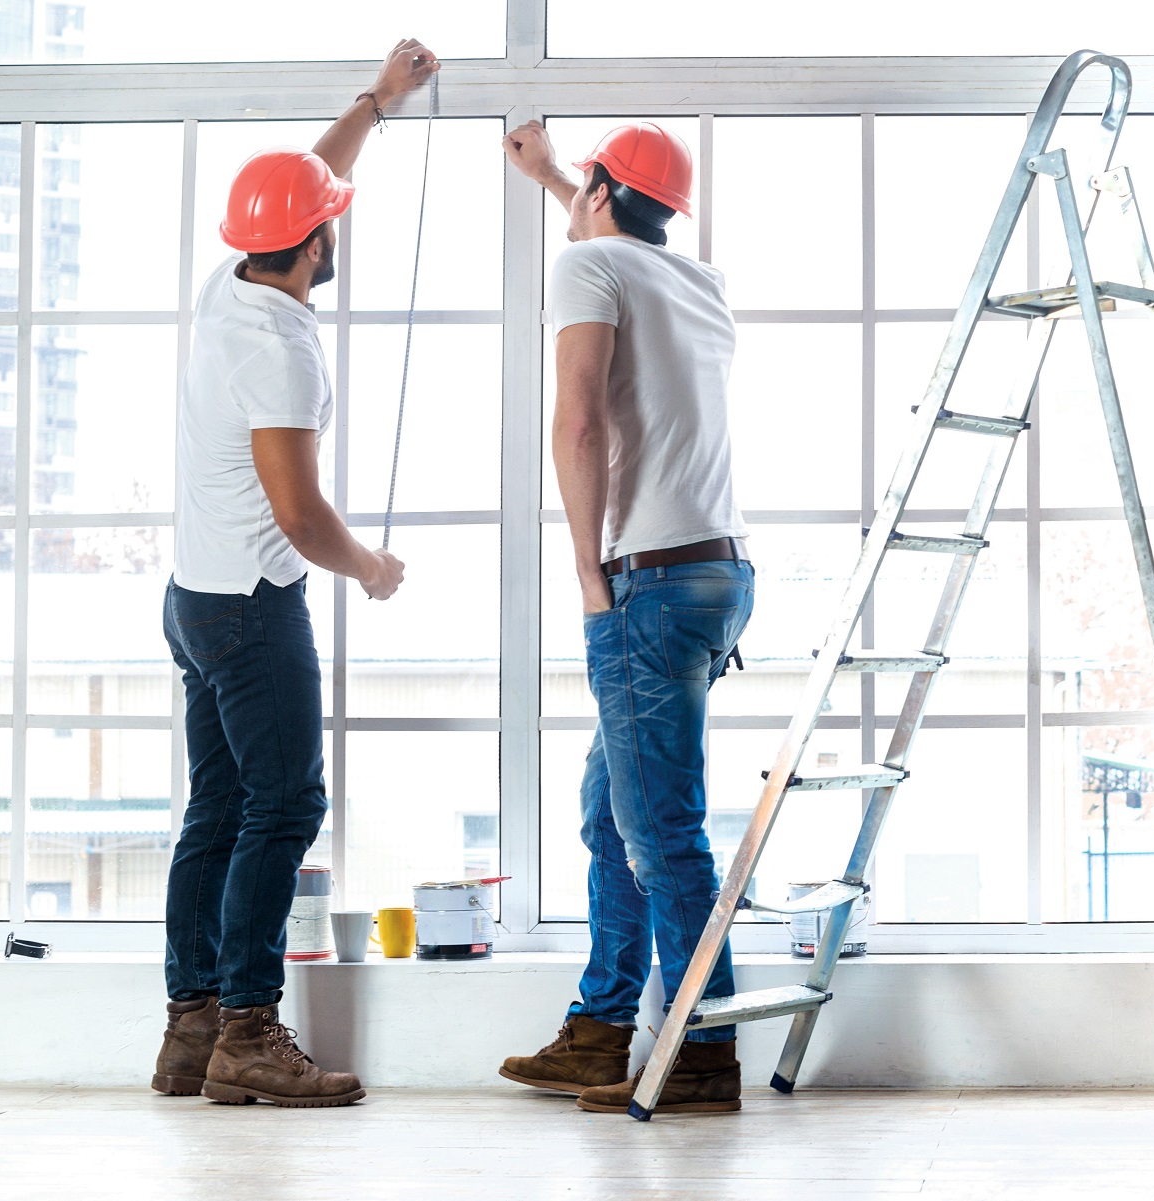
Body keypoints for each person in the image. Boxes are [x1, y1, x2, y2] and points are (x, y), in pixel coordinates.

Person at [149, 39, 438, 1109]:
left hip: (189, 597)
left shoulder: (224, 284)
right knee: (284, 805)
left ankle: (189, 1032)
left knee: (216, 810)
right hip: (251, 610)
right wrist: (370, 567)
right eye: (332, 221)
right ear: (315, 243)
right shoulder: (283, 348)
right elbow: (299, 512)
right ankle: (250, 1034)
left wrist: (376, 102)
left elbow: (300, 185)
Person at [497, 119, 753, 1114]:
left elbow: (581, 420)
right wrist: (560, 175)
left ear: (600, 192)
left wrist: (587, 575)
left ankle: (698, 1052)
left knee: (660, 830)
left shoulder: (590, 267)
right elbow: (613, 234)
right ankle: (601, 1030)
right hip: (718, 575)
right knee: (614, 812)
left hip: (643, 585)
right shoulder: (698, 282)